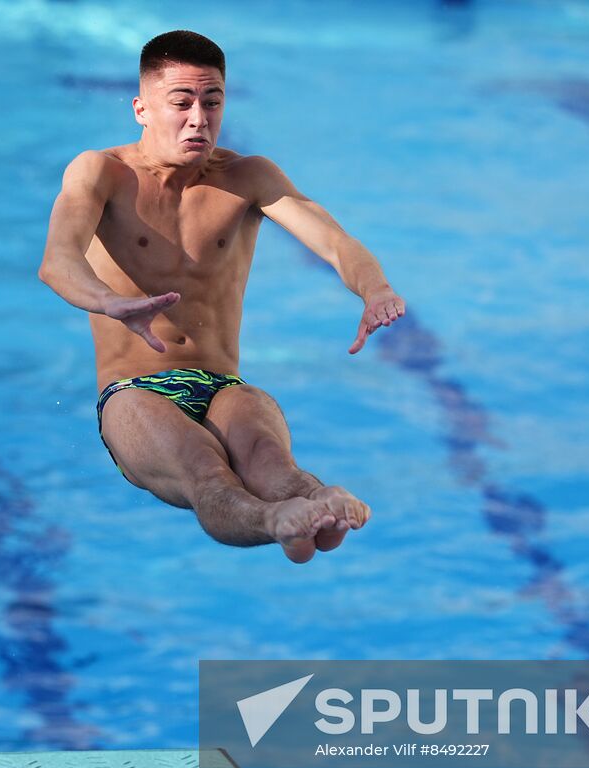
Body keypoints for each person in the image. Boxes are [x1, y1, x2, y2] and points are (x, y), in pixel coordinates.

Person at [38, 30, 406, 563]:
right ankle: (274, 520)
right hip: (134, 392)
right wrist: (109, 302)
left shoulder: (247, 177)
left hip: (223, 384)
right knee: (203, 470)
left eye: (212, 102)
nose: (199, 119)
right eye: (181, 103)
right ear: (141, 108)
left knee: (274, 464)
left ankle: (314, 503)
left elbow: (333, 240)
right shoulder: (102, 173)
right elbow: (58, 262)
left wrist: (375, 289)